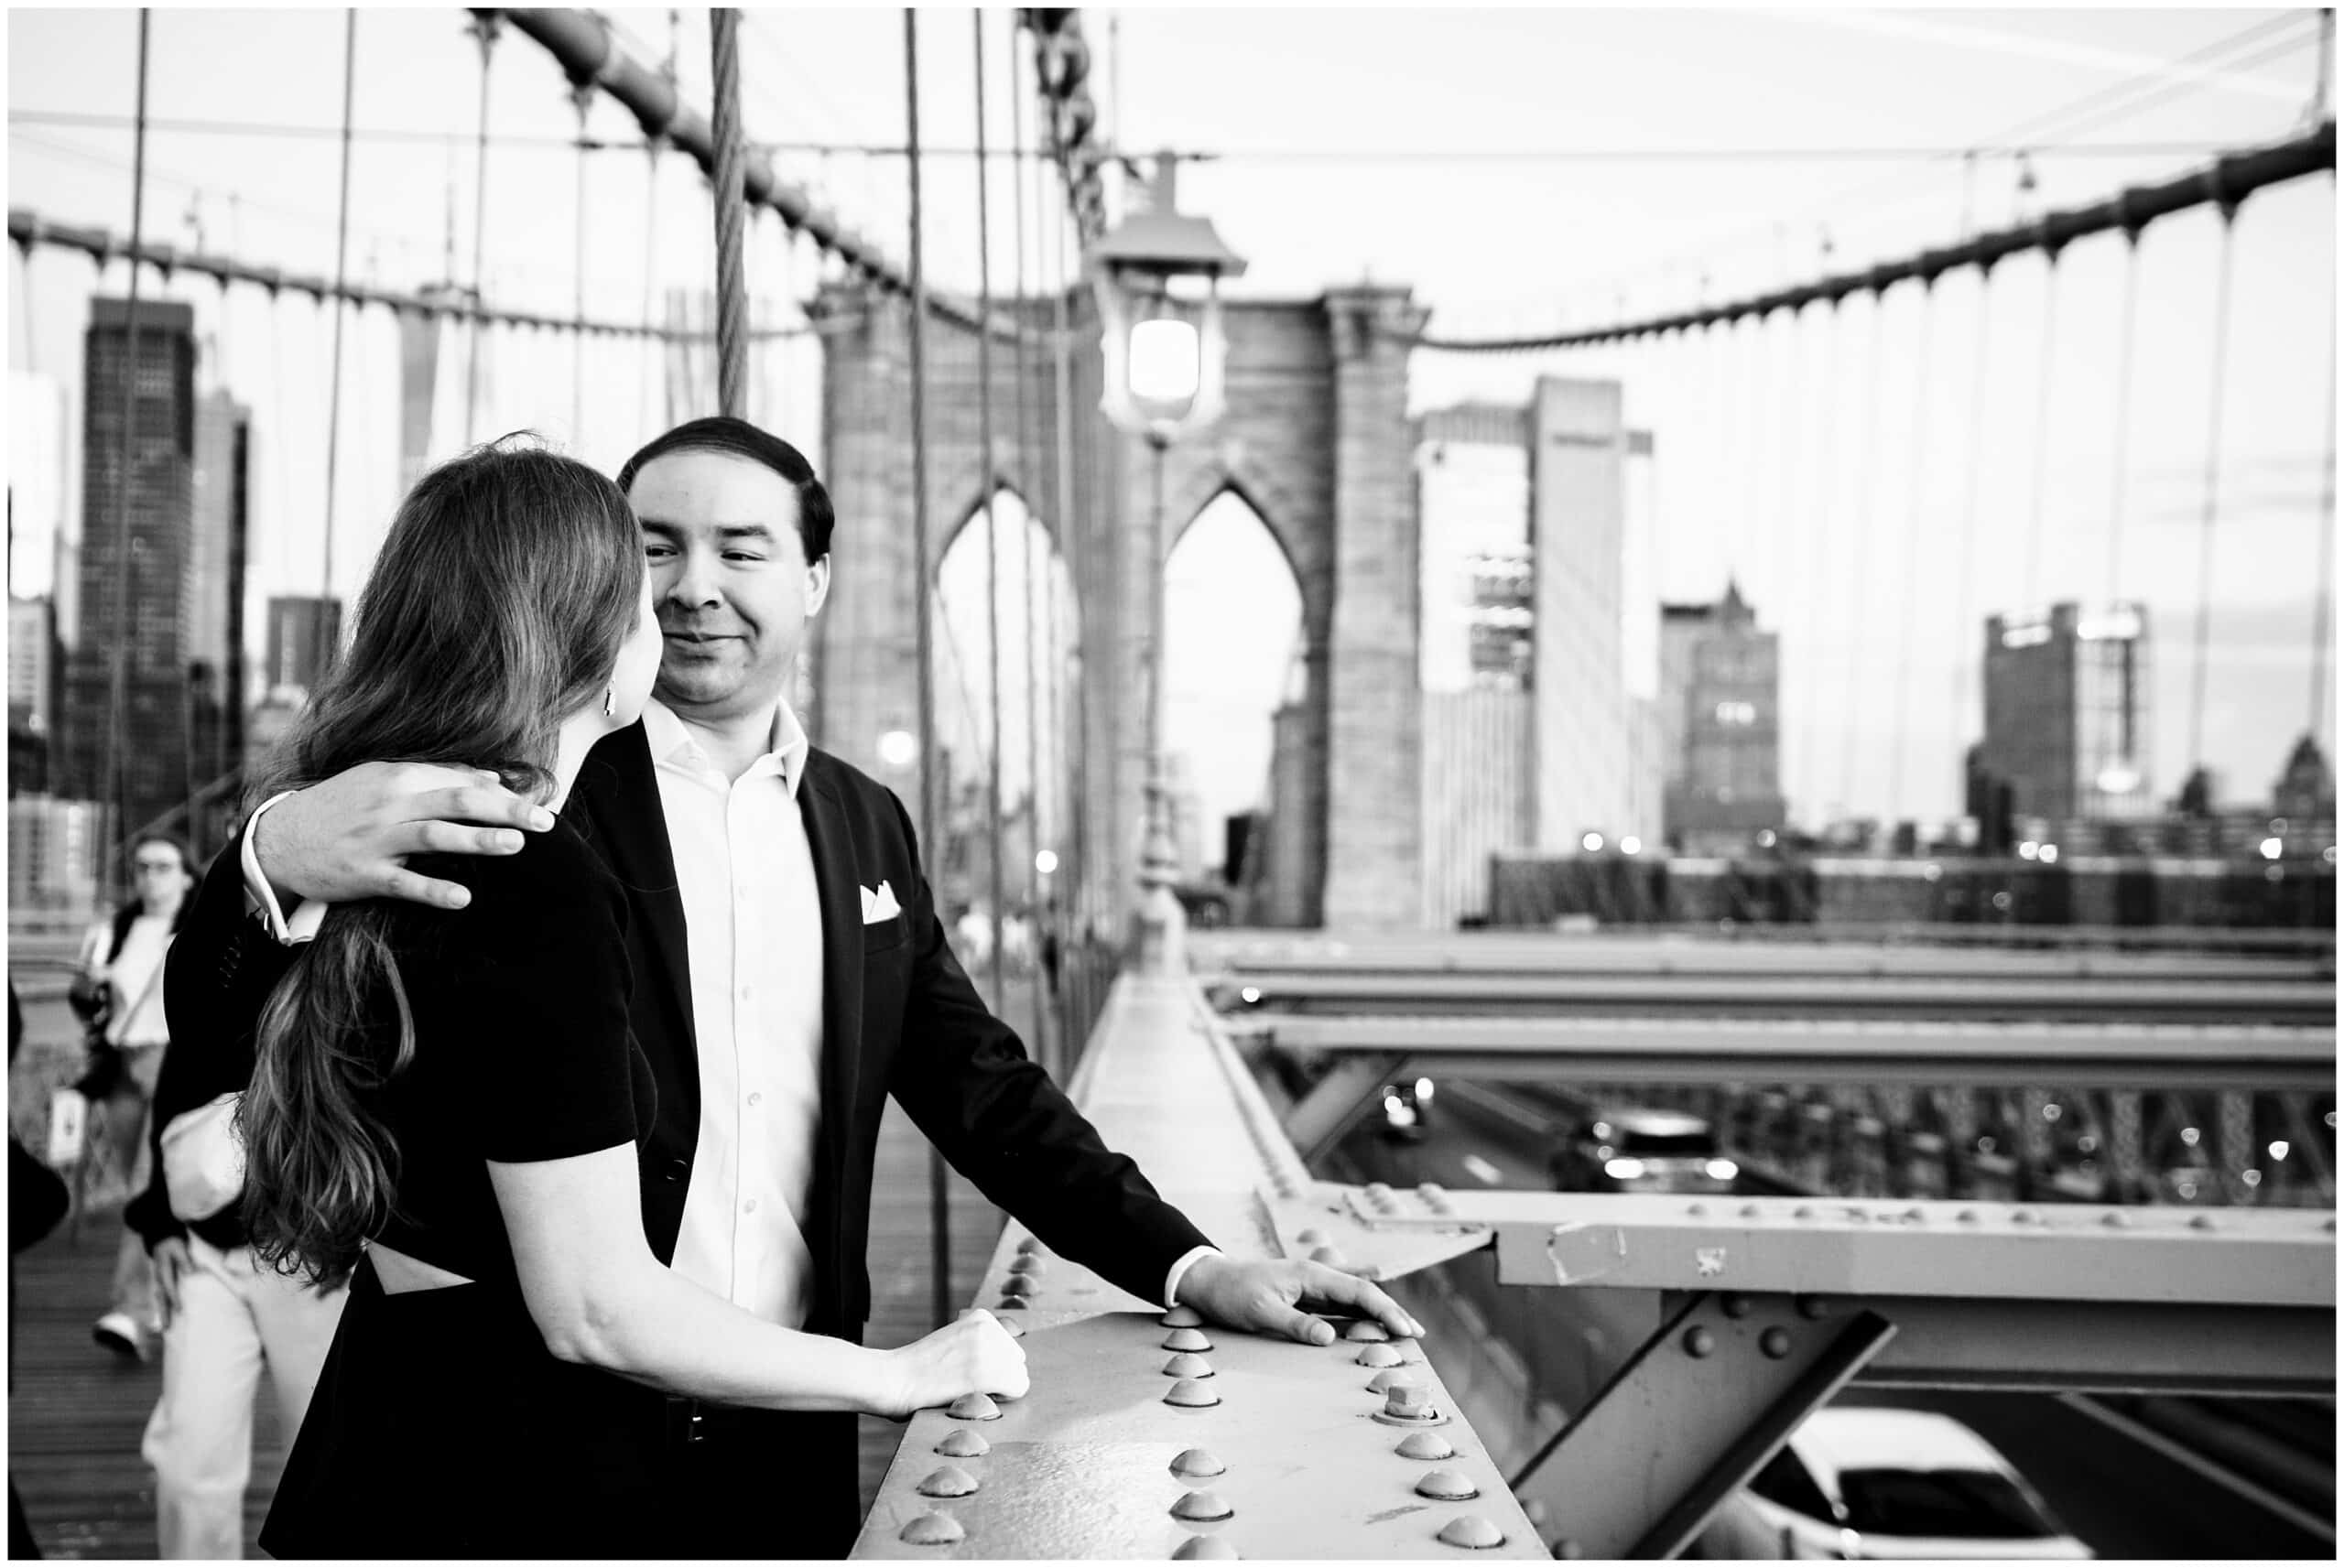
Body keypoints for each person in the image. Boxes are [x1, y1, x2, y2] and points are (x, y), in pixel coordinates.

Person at [168, 417, 1419, 1557]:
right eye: (653, 547)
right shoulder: (503, 810)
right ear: (598, 593)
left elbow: (982, 1085)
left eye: (743, 549)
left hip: (779, 1453)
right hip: (519, 1450)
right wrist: (268, 854)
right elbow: (220, 1035)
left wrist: (1192, 1268)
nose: (694, 586)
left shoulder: (865, 826)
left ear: (817, 580)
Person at [121, 961, 350, 1558]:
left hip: (315, 1259)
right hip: (207, 1252)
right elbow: (175, 1097)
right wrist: (162, 1222)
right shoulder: (222, 953)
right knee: (188, 1464)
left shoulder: (356, 951)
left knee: (326, 1462)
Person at [71, 834, 198, 1361]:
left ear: (187, 875)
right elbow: (88, 1006)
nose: (150, 876)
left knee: (149, 1184)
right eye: (142, 866)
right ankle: (176, 1293)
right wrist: (88, 987)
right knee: (139, 1189)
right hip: (123, 1064)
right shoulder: (116, 929)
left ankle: (131, 1310)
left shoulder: (196, 929)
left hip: (174, 1063)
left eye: (163, 866)